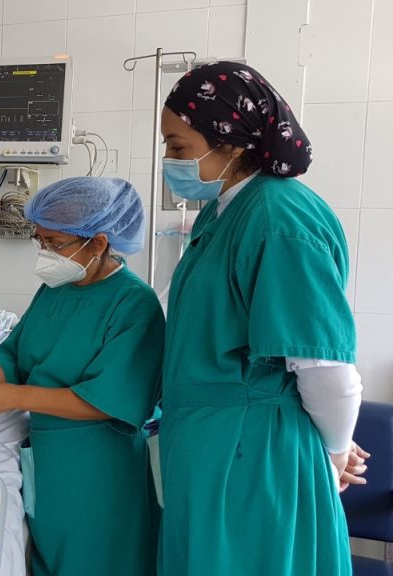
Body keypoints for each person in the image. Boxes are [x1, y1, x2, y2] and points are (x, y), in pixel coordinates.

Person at [157, 61, 369, 576]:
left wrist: (333, 452)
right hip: (216, 448)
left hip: (252, 454)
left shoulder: (278, 218)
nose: (169, 160)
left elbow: (325, 368)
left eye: (179, 147)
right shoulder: (224, 211)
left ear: (231, 144)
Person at [0, 177, 164, 576]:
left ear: (98, 243)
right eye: (40, 240)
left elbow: (109, 401)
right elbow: (16, 359)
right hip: (48, 458)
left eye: (55, 243)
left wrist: (15, 397)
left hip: (99, 466)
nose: (45, 252)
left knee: (99, 560)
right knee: (52, 556)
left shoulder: (134, 303)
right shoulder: (56, 289)